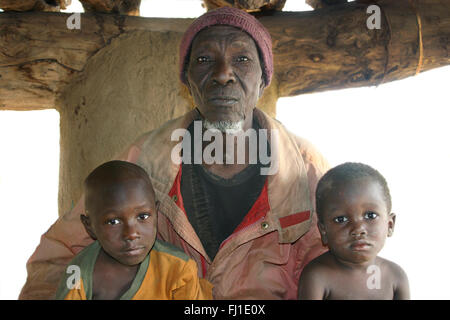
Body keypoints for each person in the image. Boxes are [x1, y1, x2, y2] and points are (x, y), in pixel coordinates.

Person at [20, 7, 329, 300]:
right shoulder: (144, 159)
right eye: (205, 59)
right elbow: (58, 258)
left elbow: (344, 269)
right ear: (187, 81)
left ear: (263, 80)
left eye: (242, 59)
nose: (223, 74)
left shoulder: (305, 170)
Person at [55, 160, 212, 300]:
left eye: (142, 216)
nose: (131, 234)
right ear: (89, 226)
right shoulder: (78, 272)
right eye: (113, 221)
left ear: (156, 213)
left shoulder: (178, 268)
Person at [297, 162, 410, 300]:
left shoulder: (396, 277)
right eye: (341, 219)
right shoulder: (317, 277)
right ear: (324, 231)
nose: (358, 229)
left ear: (390, 225)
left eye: (370, 216)